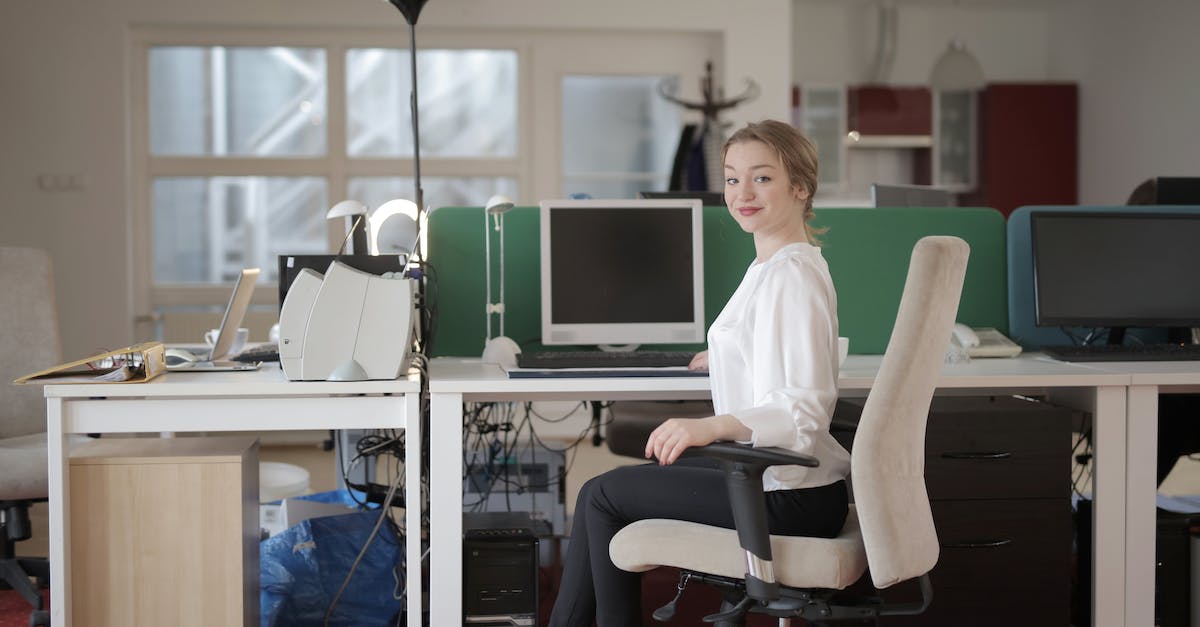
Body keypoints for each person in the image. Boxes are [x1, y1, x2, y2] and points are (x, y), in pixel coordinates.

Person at [548, 120, 851, 626]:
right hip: (781, 480)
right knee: (600, 491)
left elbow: (804, 410)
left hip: (789, 494)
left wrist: (707, 426)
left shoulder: (790, 276)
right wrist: (733, 351)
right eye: (732, 179)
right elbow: (796, 349)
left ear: (800, 186)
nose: (742, 193)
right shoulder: (775, 267)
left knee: (601, 496)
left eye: (762, 178)